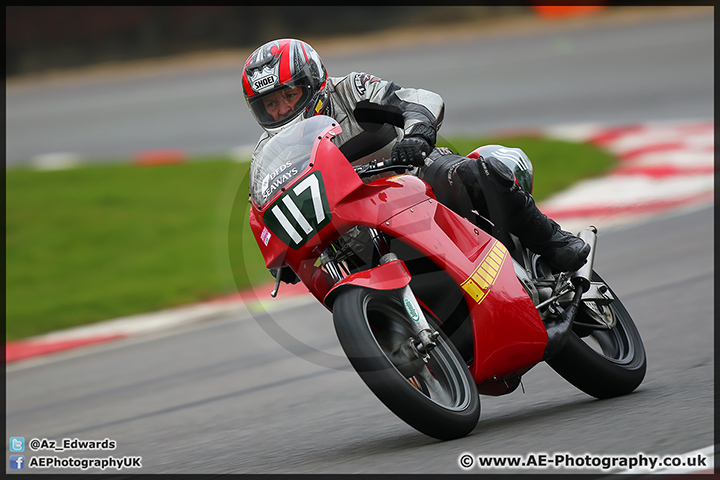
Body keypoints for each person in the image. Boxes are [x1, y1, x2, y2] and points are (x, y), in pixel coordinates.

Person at [242, 38, 590, 282]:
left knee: (473, 173)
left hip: (414, 178)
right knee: (338, 270)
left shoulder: (349, 89)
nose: (283, 109)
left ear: (312, 82)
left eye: (290, 94)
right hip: (354, 227)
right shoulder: (268, 150)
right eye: (271, 104)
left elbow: (417, 99)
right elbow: (260, 207)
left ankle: (552, 241)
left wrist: (417, 134)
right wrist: (281, 254)